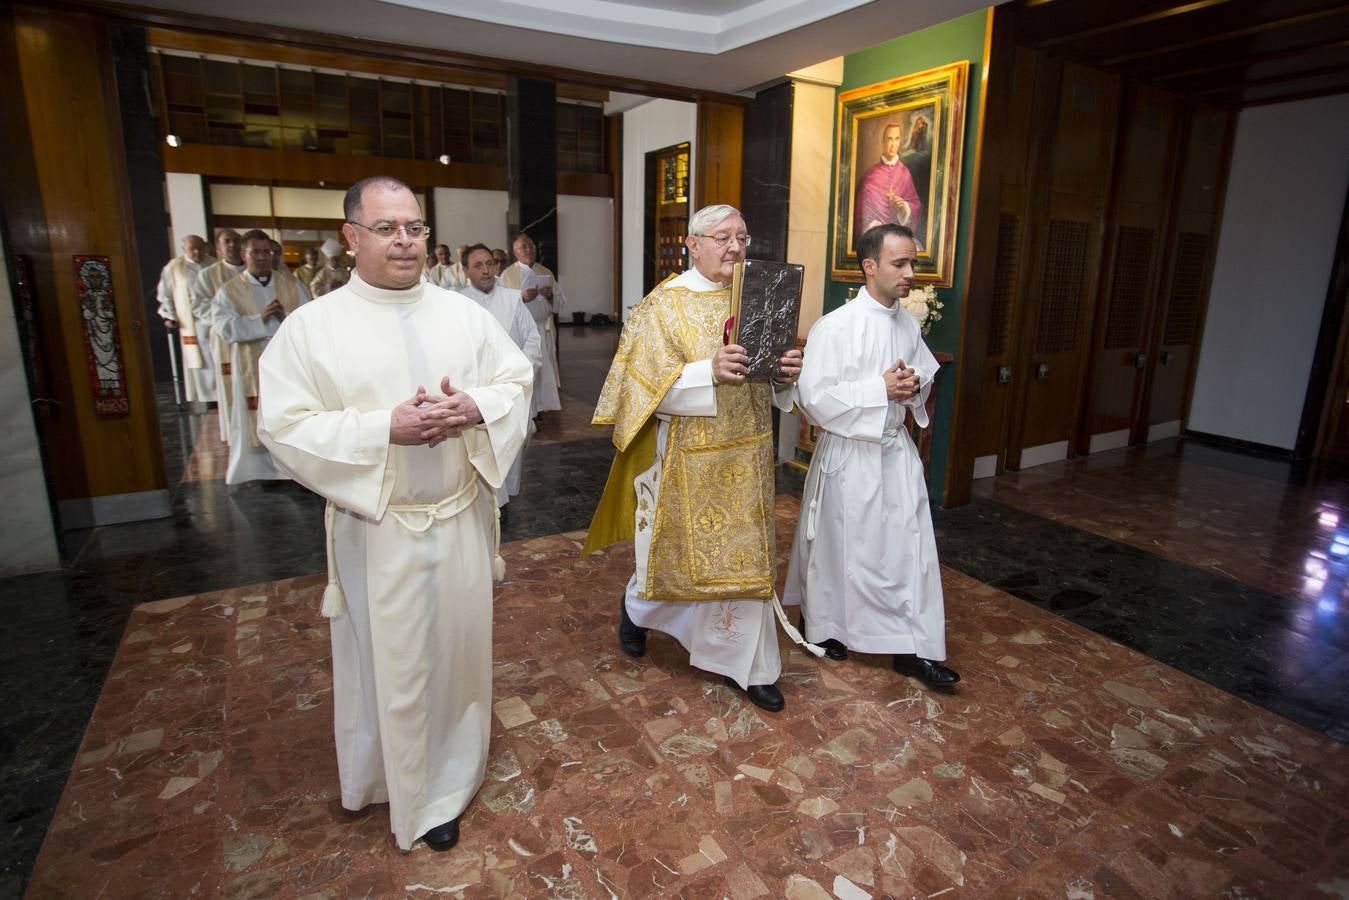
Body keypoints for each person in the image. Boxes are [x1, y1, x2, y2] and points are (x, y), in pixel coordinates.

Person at [257, 176, 533, 854]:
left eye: (412, 226)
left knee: (459, 653)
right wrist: (385, 428)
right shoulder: (311, 328)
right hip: (379, 527)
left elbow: (513, 380)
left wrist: (474, 408)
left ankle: (451, 769)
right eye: (387, 228)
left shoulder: (463, 315)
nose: (405, 240)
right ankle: (402, 785)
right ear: (352, 237)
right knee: (398, 663)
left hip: (460, 515)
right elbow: (284, 426)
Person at [584, 204, 809, 713]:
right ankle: (637, 610)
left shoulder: (758, 296)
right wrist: (705, 370)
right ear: (692, 243)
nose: (735, 247)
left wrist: (785, 372)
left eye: (742, 237)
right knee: (679, 559)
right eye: (722, 237)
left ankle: (747, 667)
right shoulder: (662, 306)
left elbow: (770, 379)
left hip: (749, 452)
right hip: (689, 458)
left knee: (746, 559)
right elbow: (639, 391)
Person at [784, 224, 958, 688]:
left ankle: (910, 646)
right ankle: (827, 626)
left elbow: (923, 371)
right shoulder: (835, 326)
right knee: (845, 549)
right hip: (848, 454)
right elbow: (814, 399)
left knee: (907, 550)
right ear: (870, 266)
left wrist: (913, 385)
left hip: (893, 451)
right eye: (899, 264)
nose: (910, 274)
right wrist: (878, 388)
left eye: (913, 263)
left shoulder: (907, 322)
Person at [210, 229, 309, 485]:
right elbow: (224, 327)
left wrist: (285, 318)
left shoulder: (291, 283)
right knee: (254, 412)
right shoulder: (229, 290)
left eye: (267, 252)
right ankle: (256, 469)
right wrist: (260, 318)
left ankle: (290, 467)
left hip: (286, 363)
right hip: (250, 363)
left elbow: (309, 321)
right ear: (244, 254)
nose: (263, 257)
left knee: (288, 411)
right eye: (256, 252)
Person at [460, 243, 543, 527]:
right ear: (466, 271)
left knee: (510, 443)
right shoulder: (459, 303)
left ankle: (504, 497)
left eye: (489, 264)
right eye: (478, 265)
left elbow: (532, 338)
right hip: (476, 392)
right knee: (482, 446)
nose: (485, 270)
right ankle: (489, 501)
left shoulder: (512, 299)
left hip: (510, 388)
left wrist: (523, 372)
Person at [500, 233, 563, 413]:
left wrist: (550, 295)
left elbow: (559, 301)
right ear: (515, 252)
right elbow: (501, 302)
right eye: (524, 247)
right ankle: (527, 410)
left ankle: (540, 408)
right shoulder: (508, 275)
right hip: (521, 334)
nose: (529, 250)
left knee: (543, 372)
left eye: (531, 247)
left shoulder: (546, 272)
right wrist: (521, 297)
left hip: (542, 329)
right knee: (526, 371)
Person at [192, 228, 245, 431]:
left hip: (258, 336)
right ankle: (235, 428)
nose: (232, 245)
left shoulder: (254, 272)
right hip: (226, 339)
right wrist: (228, 319)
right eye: (227, 241)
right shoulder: (208, 275)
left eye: (236, 241)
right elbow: (198, 304)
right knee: (231, 384)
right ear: (218, 248)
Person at [156, 234, 215, 403]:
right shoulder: (174, 267)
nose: (197, 252)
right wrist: (170, 315)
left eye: (200, 248)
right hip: (191, 322)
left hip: (213, 319)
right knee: (201, 359)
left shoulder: (215, 265)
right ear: (184, 250)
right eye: (192, 249)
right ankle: (205, 397)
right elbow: (165, 293)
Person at [853, 122, 923, 249]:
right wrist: (877, 228)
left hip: (899, 237)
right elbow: (861, 217)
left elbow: (915, 205)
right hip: (877, 240)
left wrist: (904, 207)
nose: (893, 144)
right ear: (883, 142)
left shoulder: (905, 173)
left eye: (896, 139)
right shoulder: (871, 176)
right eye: (889, 139)